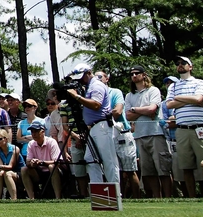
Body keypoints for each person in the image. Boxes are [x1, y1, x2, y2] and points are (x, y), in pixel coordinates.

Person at [166, 55, 203, 198]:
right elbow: (169, 104)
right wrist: (190, 99)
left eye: (183, 63)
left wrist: (178, 98)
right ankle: (192, 198)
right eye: (178, 63)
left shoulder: (199, 82)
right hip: (182, 129)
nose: (180, 65)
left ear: (190, 67)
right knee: (186, 166)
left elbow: (199, 99)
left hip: (200, 128)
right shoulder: (173, 86)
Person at [64, 64, 119, 184]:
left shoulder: (96, 85)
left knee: (108, 160)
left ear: (89, 73)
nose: (80, 80)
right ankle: (98, 191)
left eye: (81, 77)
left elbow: (96, 105)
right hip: (93, 127)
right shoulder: (89, 87)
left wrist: (77, 96)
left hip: (102, 126)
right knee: (90, 159)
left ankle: (115, 192)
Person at [124, 65, 171, 198]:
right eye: (131, 73)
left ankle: (168, 197)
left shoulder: (153, 90)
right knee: (148, 171)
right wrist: (143, 110)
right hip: (139, 135)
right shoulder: (129, 96)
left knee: (163, 169)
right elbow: (128, 116)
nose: (134, 76)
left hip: (156, 133)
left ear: (144, 75)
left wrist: (135, 110)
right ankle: (157, 197)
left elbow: (152, 110)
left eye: (137, 73)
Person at [98, 69, 140, 199]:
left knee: (129, 170)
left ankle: (138, 200)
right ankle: (118, 198)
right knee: (113, 170)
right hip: (106, 135)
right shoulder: (94, 96)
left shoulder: (115, 92)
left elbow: (118, 111)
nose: (97, 79)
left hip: (122, 133)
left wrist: (99, 116)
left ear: (107, 79)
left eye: (100, 77)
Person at [21, 121, 62, 199]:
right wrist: (32, 163)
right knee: (24, 169)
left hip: (54, 171)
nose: (34, 134)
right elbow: (28, 162)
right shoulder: (31, 144)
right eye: (32, 132)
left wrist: (41, 162)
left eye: (36, 131)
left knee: (51, 167)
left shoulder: (51, 142)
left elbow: (57, 161)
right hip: (39, 172)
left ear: (43, 131)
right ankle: (31, 198)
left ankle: (58, 198)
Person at [0, 129, 24, 200]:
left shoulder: (15, 149)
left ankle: (14, 199)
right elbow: (1, 168)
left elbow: (10, 166)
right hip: (7, 173)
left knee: (7, 173)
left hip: (20, 175)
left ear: (5, 139)